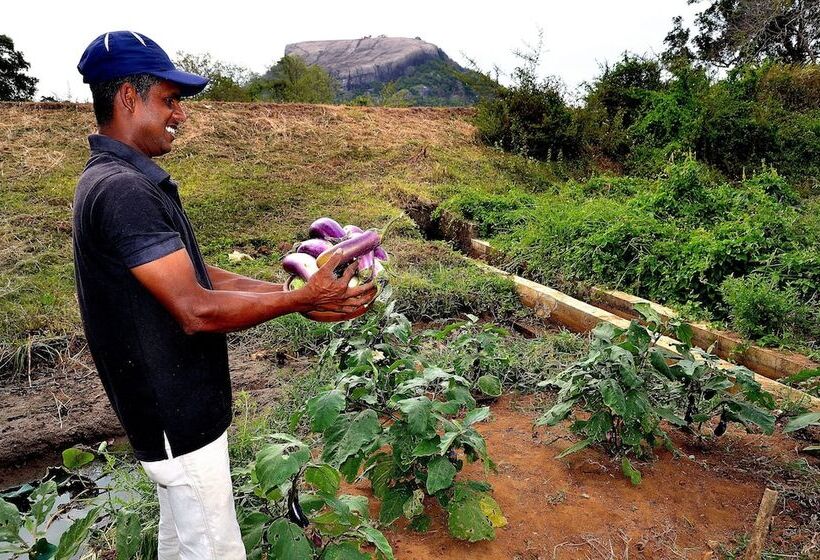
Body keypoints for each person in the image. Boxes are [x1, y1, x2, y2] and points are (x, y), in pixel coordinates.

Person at [73, 31, 376, 560]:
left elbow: (198, 275)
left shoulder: (116, 180)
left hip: (173, 415)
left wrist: (295, 292)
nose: (180, 115)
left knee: (183, 543)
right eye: (169, 100)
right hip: (175, 416)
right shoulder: (122, 190)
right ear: (127, 97)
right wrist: (300, 301)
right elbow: (194, 309)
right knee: (214, 550)